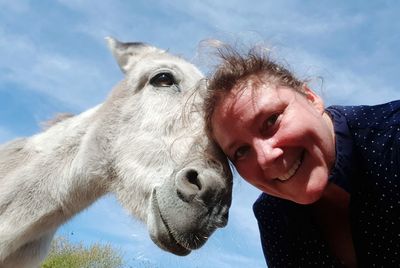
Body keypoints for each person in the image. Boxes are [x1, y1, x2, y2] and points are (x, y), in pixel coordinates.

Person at [203, 44, 400, 267]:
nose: (266, 157)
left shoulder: (393, 136)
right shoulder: (274, 216)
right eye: (241, 151)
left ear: (311, 98)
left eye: (271, 120)